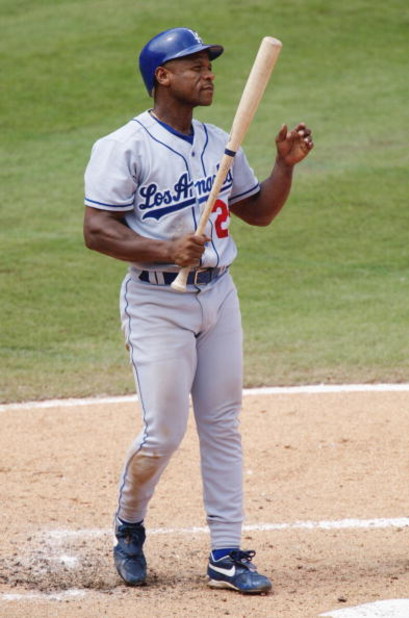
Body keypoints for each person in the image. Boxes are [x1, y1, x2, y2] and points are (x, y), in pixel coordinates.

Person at [83, 27, 313, 595]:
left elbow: (255, 212)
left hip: (218, 296)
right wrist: (165, 248)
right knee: (162, 434)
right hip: (157, 301)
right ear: (162, 77)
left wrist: (285, 167)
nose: (208, 73)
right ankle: (130, 526)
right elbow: (96, 229)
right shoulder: (124, 146)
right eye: (194, 66)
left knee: (222, 424)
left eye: (209, 65)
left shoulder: (220, 141)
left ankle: (227, 554)